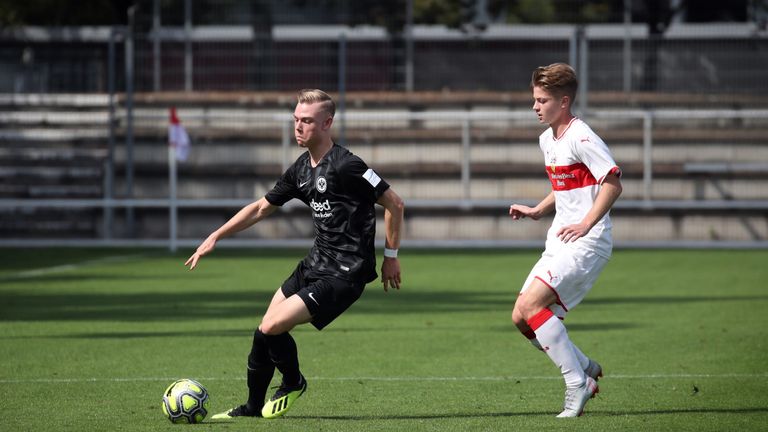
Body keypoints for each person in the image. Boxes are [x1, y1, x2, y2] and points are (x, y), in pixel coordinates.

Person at [185, 89, 405, 420]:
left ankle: (293, 381)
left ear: (327, 123)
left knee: (272, 325)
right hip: (315, 264)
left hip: (345, 273)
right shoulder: (301, 169)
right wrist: (216, 235)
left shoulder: (349, 165)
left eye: (306, 121)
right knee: (263, 330)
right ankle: (252, 408)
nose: (298, 127)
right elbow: (261, 208)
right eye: (295, 120)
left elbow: (395, 203)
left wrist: (391, 255)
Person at [508, 63, 622, 418]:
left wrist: (588, 222)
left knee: (531, 307)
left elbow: (613, 183)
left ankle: (577, 384)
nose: (535, 107)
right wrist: (538, 210)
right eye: (535, 100)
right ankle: (584, 365)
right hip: (560, 239)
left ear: (564, 101)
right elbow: (564, 186)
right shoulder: (547, 140)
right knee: (521, 318)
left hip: (588, 241)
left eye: (542, 100)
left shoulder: (582, 136)